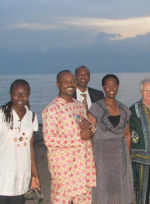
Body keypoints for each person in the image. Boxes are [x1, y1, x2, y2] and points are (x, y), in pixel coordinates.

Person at [0, 79, 40, 204]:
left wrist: (35, 175)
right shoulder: (0, 114)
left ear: (29, 95)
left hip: (21, 175)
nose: (20, 97)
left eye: (24, 94)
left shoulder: (31, 116)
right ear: (10, 94)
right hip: (0, 175)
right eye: (16, 93)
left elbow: (30, 148)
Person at [42, 70, 96, 204]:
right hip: (64, 171)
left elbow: (89, 130)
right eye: (65, 81)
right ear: (57, 84)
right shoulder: (53, 109)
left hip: (83, 168)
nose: (70, 84)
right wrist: (79, 136)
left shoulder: (78, 105)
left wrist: (88, 126)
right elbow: (50, 139)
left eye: (72, 81)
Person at [87, 74, 134, 204]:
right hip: (101, 156)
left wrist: (127, 157)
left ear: (117, 87)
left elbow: (127, 134)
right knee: (101, 188)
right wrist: (91, 159)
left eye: (114, 85)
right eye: (108, 86)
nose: (111, 88)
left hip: (119, 156)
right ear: (104, 88)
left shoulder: (124, 109)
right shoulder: (96, 108)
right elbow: (89, 135)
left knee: (117, 190)